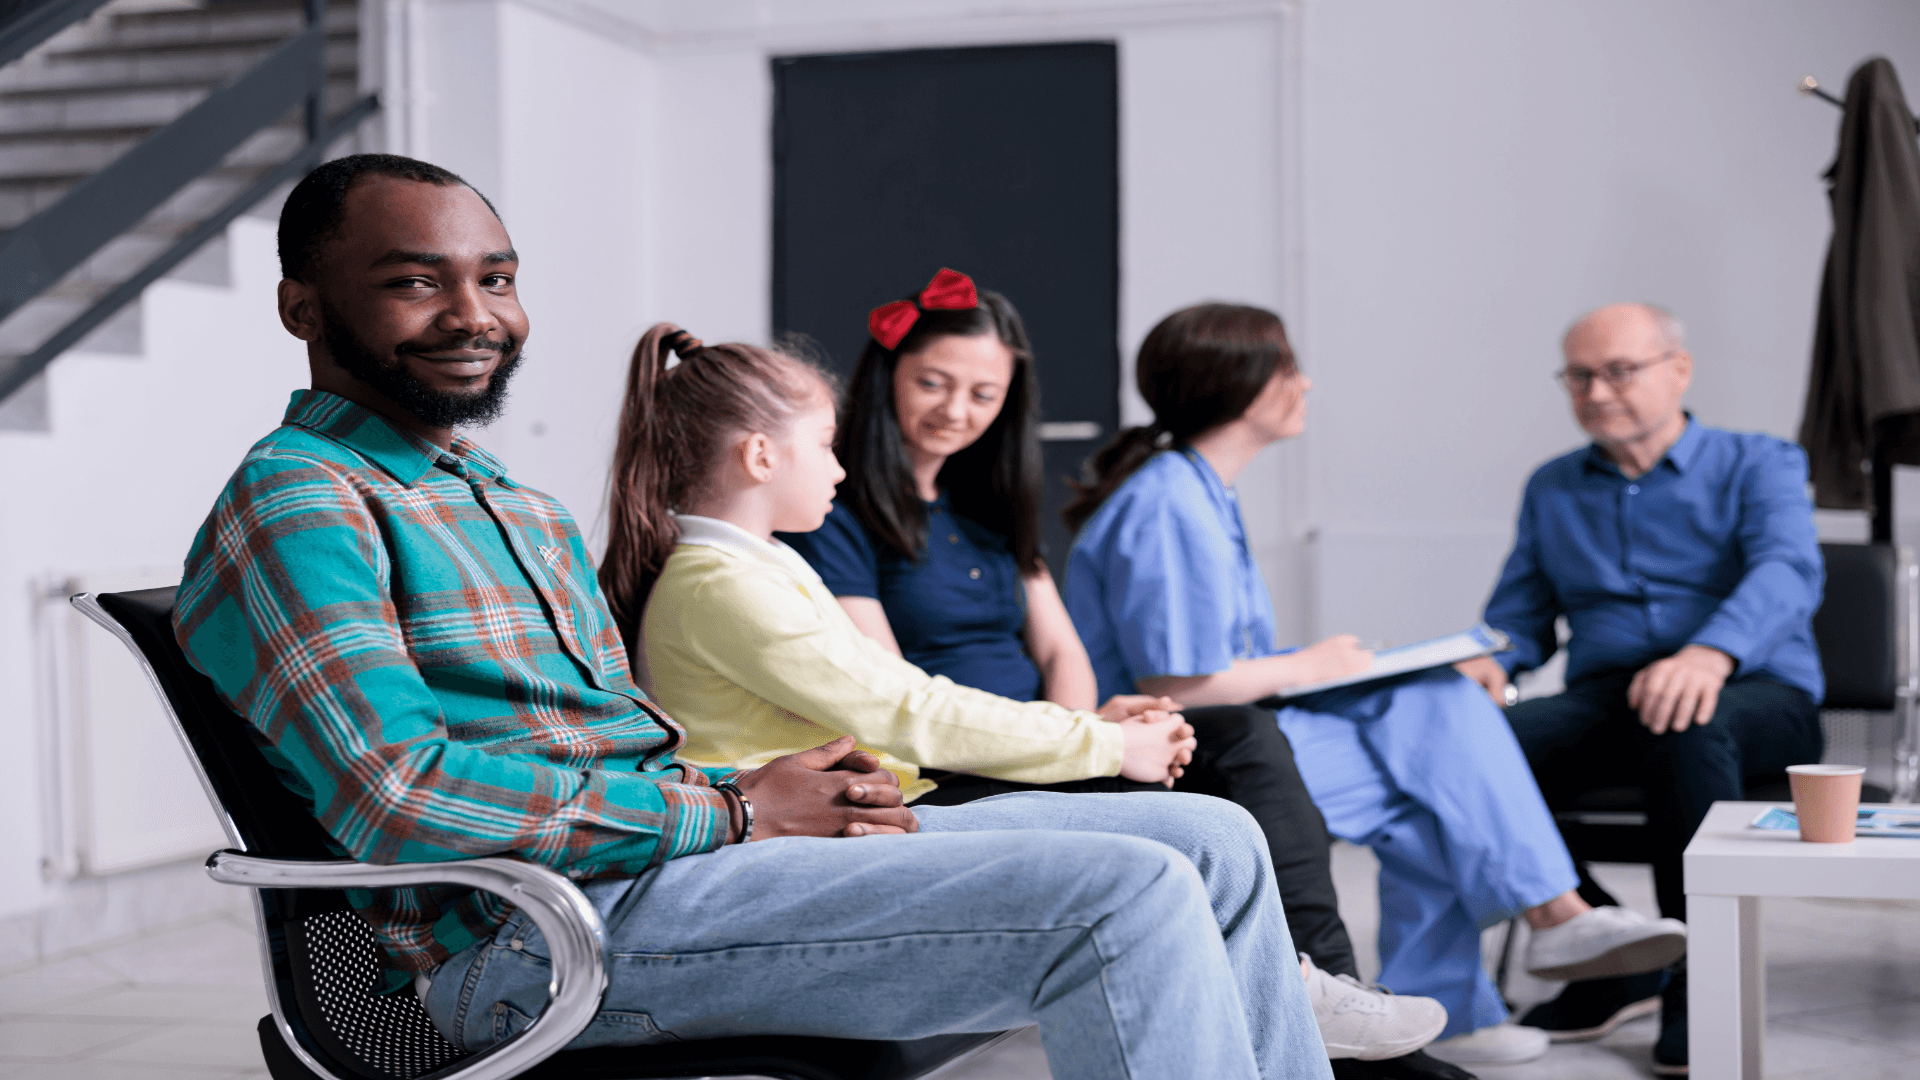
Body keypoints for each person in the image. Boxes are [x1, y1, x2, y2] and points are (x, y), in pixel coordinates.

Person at [172, 153, 1333, 1080]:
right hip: (539, 941)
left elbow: (615, 741)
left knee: (1214, 839)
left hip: (668, 877)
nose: (478, 314)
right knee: (1122, 895)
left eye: (500, 278)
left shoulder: (511, 502)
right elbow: (403, 798)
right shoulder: (300, 501)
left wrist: (782, 791)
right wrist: (730, 811)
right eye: (416, 281)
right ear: (302, 306)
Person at [781, 269, 1460, 1078]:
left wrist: (1084, 730)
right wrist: (1076, 742)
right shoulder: (839, 511)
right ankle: (1330, 1010)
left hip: (1040, 740)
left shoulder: (989, 506)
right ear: (887, 373)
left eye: (983, 393)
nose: (956, 410)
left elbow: (1062, 650)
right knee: (1203, 778)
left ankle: (1326, 986)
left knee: (1239, 731)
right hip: (951, 762)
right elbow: (896, 693)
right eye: (933, 382)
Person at [1061, 302, 1691, 1069]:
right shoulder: (1167, 503)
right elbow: (1180, 682)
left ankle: (1475, 991)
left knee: (1433, 744)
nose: (1307, 383)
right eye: (1290, 368)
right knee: (1433, 751)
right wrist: (1316, 665)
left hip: (1228, 729)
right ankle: (1550, 921)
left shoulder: (1199, 490)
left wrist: (1329, 664)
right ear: (1241, 384)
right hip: (1180, 749)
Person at [1456, 302, 1825, 1077]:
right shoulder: (1553, 486)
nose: (1596, 391)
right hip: (1609, 696)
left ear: (1677, 370)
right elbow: (1520, 615)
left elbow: (1788, 572)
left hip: (1755, 691)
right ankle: (1615, 953)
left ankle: (1701, 982)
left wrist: (1709, 653)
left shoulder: (1761, 461)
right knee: (1465, 748)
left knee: (1683, 721)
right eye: (1579, 375)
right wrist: (1491, 661)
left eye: (1619, 370)